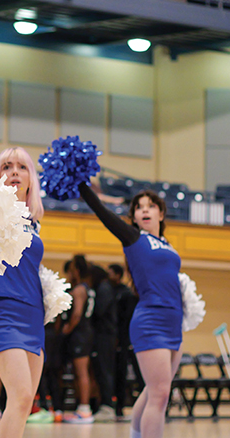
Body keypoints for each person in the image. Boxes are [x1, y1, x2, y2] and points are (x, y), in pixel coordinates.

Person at [79, 184, 183, 438]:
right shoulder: (134, 238)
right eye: (139, 208)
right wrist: (83, 185)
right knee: (159, 395)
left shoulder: (167, 243)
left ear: (161, 213)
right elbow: (102, 211)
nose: (144, 211)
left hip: (174, 322)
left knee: (154, 390)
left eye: (151, 206)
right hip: (151, 321)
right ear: (134, 217)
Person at [0, 147, 45, 438]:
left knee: (24, 402)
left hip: (33, 314)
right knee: (19, 397)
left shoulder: (36, 223)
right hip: (3, 311)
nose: (15, 172)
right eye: (7, 166)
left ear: (32, 179)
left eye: (22, 167)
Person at [61, 255, 96, 423]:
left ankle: (84, 408)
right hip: (86, 333)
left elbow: (76, 314)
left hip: (80, 334)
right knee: (81, 372)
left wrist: (68, 327)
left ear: (77, 270)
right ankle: (82, 407)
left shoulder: (79, 290)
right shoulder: (88, 288)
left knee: (81, 372)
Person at [108, 263, 142, 418]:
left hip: (132, 339)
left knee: (139, 374)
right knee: (120, 374)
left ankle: (142, 405)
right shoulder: (116, 293)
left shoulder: (127, 294)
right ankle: (119, 407)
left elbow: (128, 319)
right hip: (121, 339)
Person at [90, 264, 118, 422]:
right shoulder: (103, 288)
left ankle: (107, 406)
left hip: (105, 336)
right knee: (102, 369)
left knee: (105, 369)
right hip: (104, 335)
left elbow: (99, 311)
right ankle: (105, 404)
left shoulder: (104, 289)